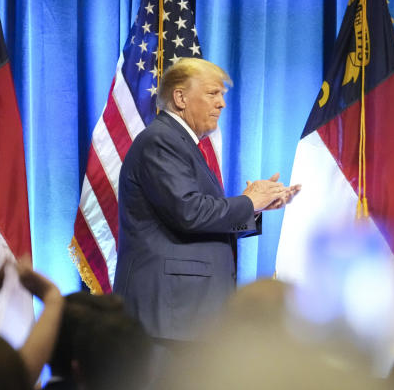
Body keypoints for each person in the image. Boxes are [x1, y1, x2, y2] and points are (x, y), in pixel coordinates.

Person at [113, 57, 299, 340]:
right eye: (213, 93)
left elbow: (196, 214)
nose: (222, 104)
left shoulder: (183, 143)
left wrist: (256, 207)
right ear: (180, 97)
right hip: (171, 312)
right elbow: (189, 211)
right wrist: (249, 202)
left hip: (187, 313)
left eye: (222, 95)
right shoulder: (162, 141)